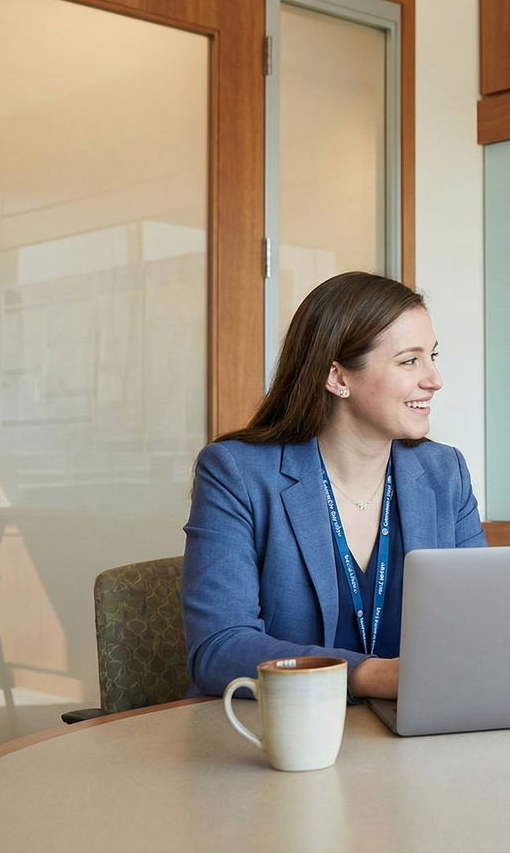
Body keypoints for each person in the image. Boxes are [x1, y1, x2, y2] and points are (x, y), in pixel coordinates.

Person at [182, 272, 485, 700]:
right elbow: (219, 648)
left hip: (413, 731)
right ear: (338, 377)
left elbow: (480, 618)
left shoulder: (443, 471)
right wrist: (370, 676)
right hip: (275, 736)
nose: (434, 379)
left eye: (432, 356)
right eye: (409, 361)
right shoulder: (237, 473)